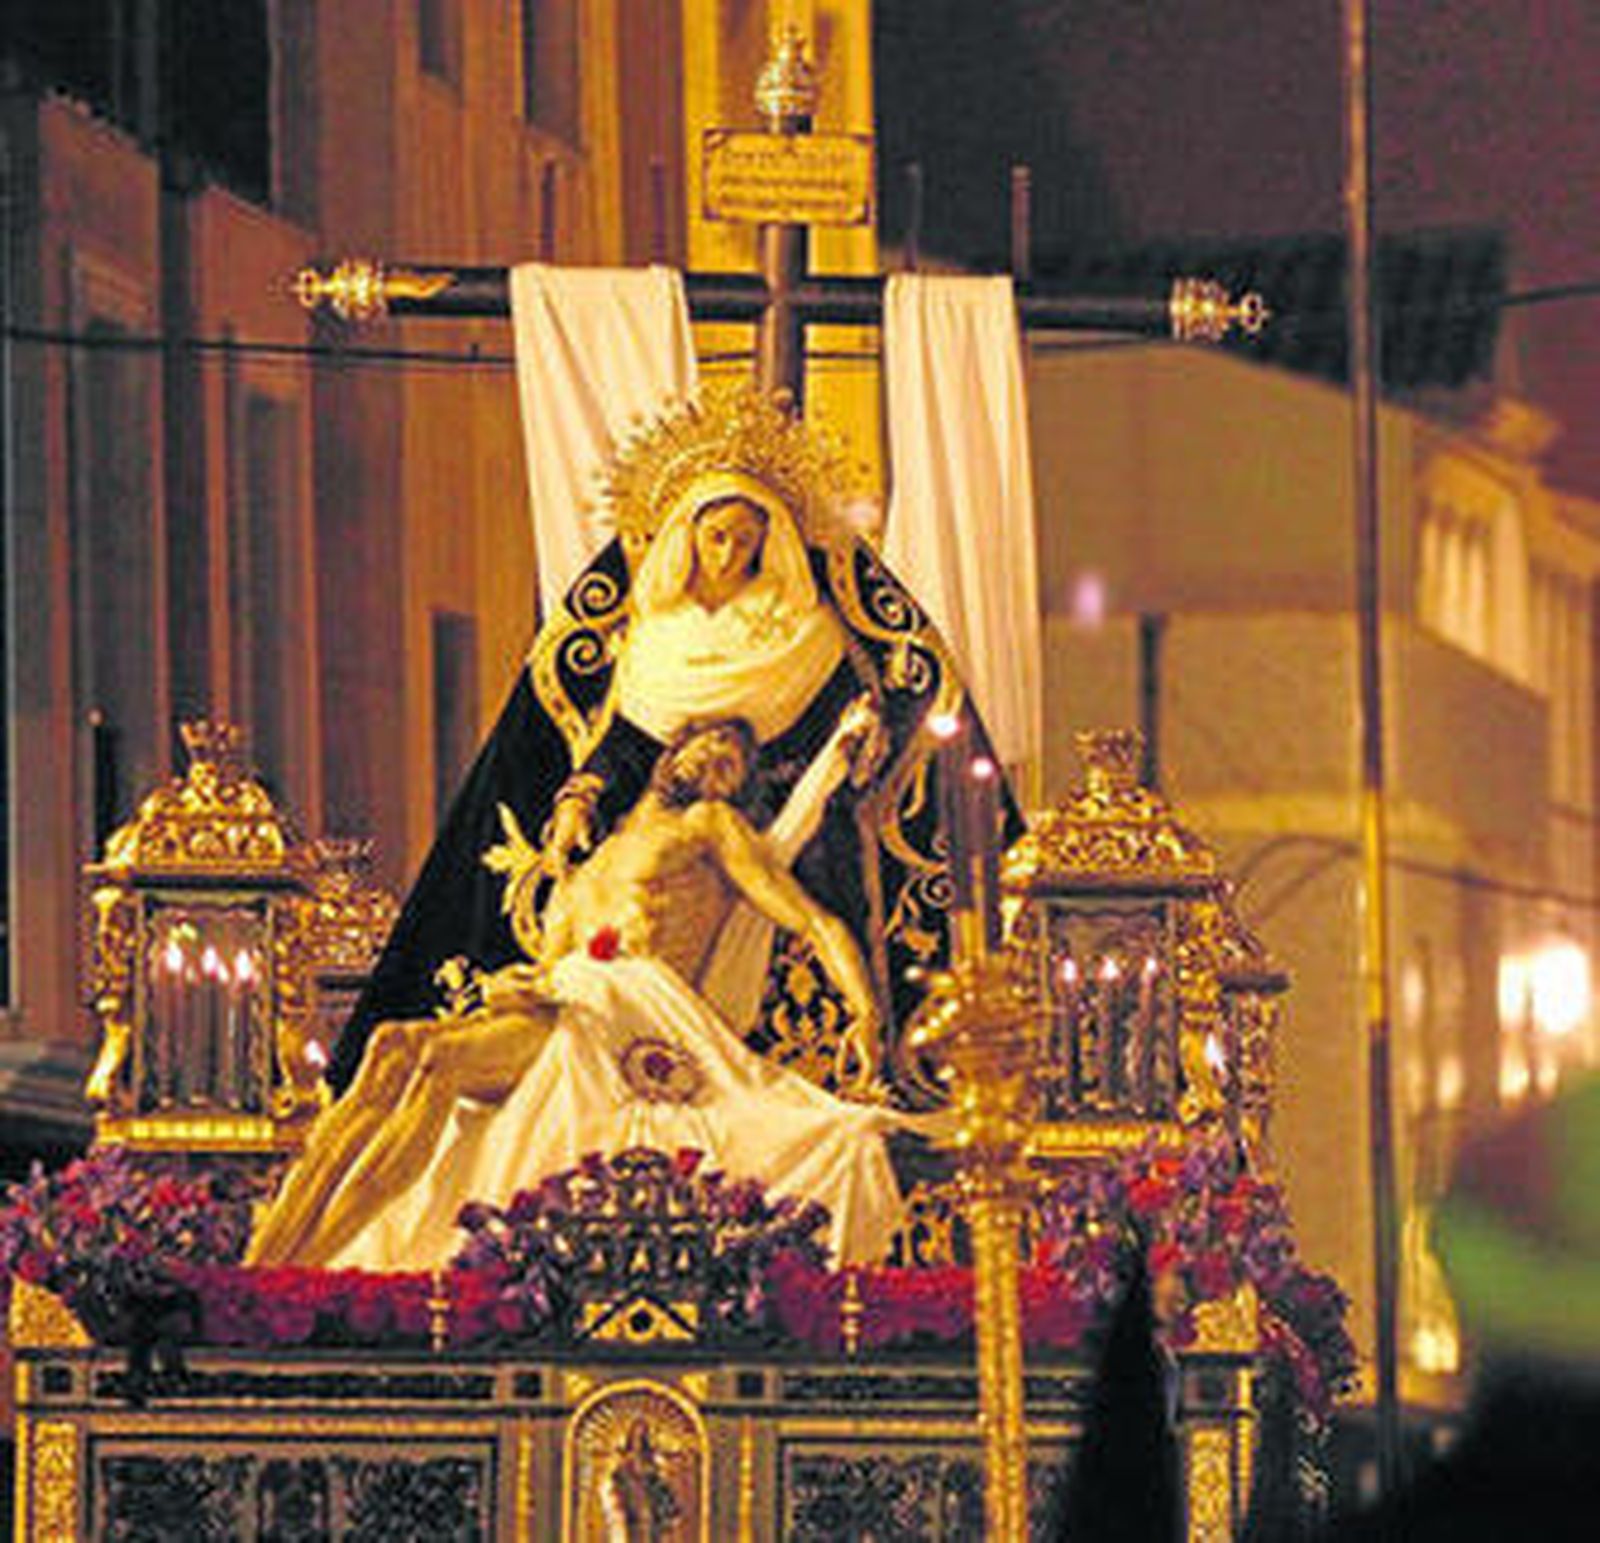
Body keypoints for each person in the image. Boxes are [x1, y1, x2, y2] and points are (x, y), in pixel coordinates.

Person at [328, 461, 913, 1096]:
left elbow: (816, 889)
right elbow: (621, 742)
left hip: (679, 958)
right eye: (716, 535)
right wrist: (581, 796)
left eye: (747, 539)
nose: (729, 552)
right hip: (588, 978)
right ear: (686, 537)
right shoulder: (654, 634)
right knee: (405, 1055)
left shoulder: (799, 631)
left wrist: (853, 741)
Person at [249, 715, 903, 1271]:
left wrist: (867, 1010)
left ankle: (306, 1262)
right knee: (392, 1044)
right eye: (709, 747)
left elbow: (814, 919)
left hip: (621, 1007)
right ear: (672, 749)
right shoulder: (601, 848)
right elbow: (550, 958)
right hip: (560, 994)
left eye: (734, 765)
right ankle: (272, 1257)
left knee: (431, 1063)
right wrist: (515, 981)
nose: (717, 767)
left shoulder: (708, 827)